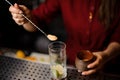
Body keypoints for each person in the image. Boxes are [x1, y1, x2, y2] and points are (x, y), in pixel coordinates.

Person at [9, 0, 120, 76]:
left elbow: (118, 38)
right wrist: (25, 18)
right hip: (70, 64)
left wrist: (106, 55)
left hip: (108, 66)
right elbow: (35, 22)